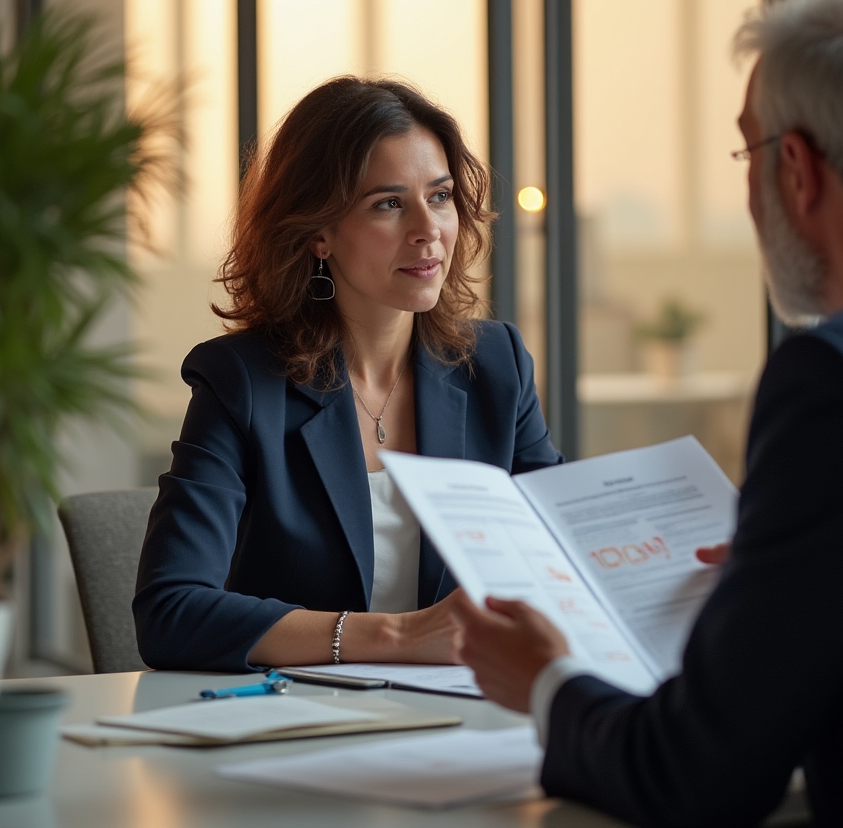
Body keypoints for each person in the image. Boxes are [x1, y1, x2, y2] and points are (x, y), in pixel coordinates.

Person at [453, 0, 843, 826]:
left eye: (750, 155)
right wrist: (791, 569)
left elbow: (695, 774)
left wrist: (547, 680)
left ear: (798, 170)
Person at [133, 76, 561, 672]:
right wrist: (397, 637)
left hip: (465, 718)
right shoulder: (241, 384)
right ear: (318, 234)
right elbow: (170, 613)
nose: (427, 229)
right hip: (298, 727)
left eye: (439, 197)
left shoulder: (496, 366)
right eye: (389, 204)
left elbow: (560, 555)